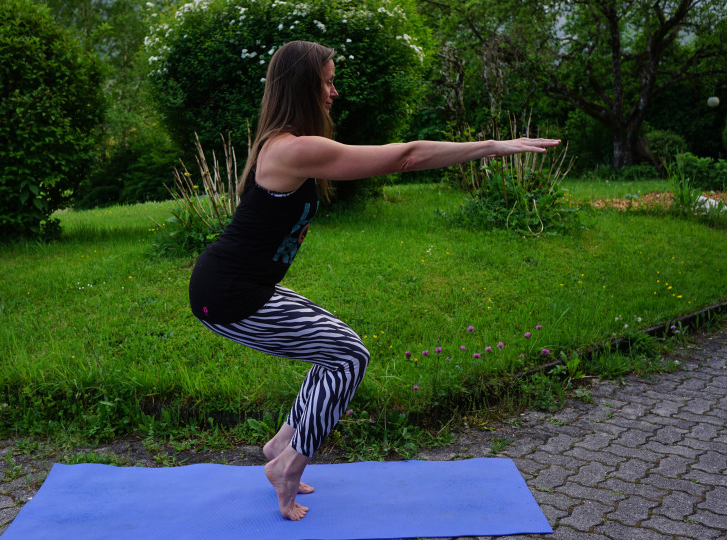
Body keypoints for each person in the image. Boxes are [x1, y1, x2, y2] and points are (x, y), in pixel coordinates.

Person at [188, 40, 560, 521]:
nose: (334, 91)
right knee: (348, 355)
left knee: (337, 350)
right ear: (304, 85)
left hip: (237, 285)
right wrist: (490, 146)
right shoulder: (294, 149)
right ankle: (288, 464)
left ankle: (281, 444)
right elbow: (405, 157)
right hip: (229, 294)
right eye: (327, 80)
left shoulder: (285, 143)